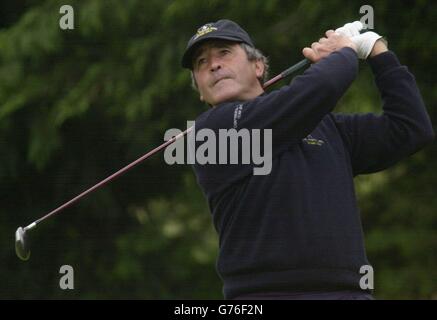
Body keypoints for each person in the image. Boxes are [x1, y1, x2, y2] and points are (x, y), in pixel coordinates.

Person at [180, 19, 434, 300]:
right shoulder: (212, 133)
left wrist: (378, 50)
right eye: (201, 63)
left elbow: (410, 128)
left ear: (258, 67)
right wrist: (345, 52)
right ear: (202, 92)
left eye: (224, 53)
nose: (213, 65)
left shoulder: (328, 128)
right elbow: (322, 85)